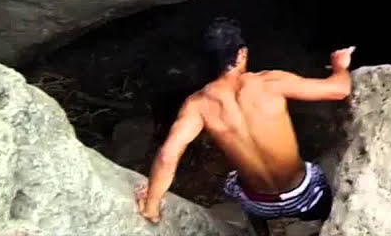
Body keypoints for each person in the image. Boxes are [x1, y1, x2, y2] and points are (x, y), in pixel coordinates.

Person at [134, 17, 354, 235]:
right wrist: (340, 67)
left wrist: (152, 204)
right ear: (241, 53)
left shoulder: (198, 105)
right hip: (303, 194)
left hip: (258, 203)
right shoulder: (270, 82)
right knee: (320, 185)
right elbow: (339, 90)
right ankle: (327, 221)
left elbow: (167, 156)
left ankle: (261, 231)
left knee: (235, 183)